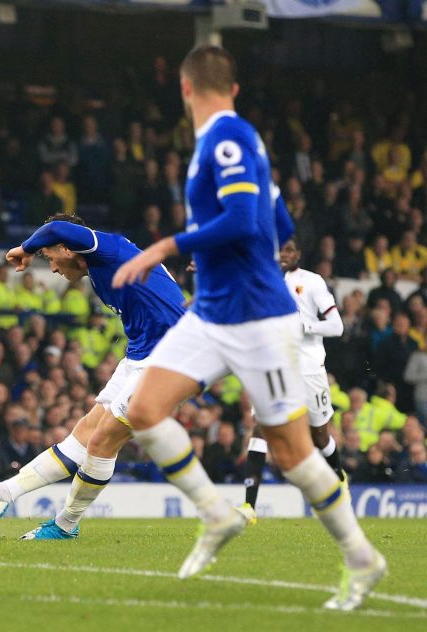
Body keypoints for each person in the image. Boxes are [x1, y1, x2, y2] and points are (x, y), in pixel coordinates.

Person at [110, 45, 384, 610]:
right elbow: (278, 221)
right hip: (212, 309)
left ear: (185, 90)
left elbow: (240, 217)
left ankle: (363, 558)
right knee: (142, 410)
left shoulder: (225, 140)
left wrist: (168, 245)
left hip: (259, 318)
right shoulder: (243, 140)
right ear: (231, 88)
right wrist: (227, 257)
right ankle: (216, 515)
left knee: (293, 453)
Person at [0, 213, 185, 539]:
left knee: (103, 439)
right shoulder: (100, 270)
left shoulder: (108, 249)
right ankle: (0, 494)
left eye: (50, 257)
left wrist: (27, 248)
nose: (53, 269)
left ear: (67, 248)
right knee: (84, 434)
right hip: (140, 357)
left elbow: (57, 228)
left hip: (171, 359)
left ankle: (65, 525)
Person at [239, 236, 346, 523]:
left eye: (289, 250)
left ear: (299, 253)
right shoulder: (262, 280)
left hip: (309, 367)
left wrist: (305, 326)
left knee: (320, 435)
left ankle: (339, 476)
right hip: (274, 365)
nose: (284, 254)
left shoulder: (312, 282)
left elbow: (337, 326)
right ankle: (249, 506)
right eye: (280, 250)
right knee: (261, 428)